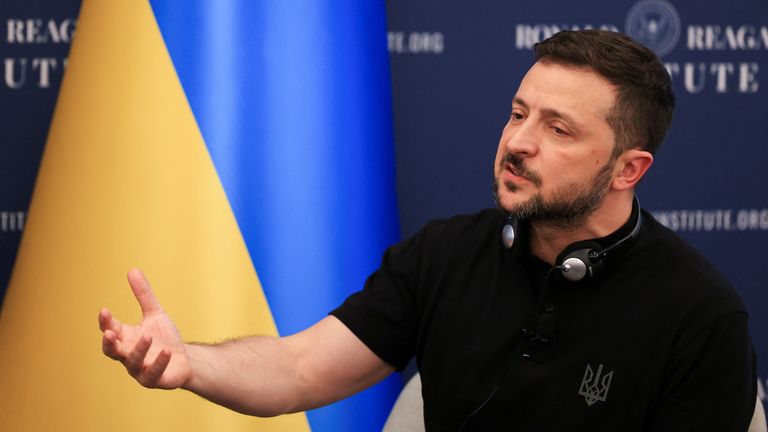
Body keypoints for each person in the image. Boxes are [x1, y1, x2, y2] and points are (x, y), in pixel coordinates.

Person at [99, 29, 757, 430]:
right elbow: (300, 369)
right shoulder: (445, 253)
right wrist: (192, 365)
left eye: (557, 129)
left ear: (628, 169)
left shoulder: (699, 315)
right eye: (518, 113)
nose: (517, 142)